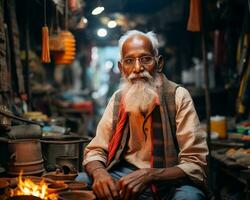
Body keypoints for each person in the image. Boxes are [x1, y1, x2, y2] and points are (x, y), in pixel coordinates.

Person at [76, 30, 209, 200]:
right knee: (79, 180)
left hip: (169, 179)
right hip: (125, 175)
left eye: (145, 59)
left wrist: (150, 175)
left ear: (159, 63)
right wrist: (99, 173)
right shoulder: (118, 99)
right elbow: (96, 150)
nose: (138, 68)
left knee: (190, 198)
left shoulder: (177, 96)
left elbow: (196, 163)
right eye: (129, 61)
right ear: (121, 67)